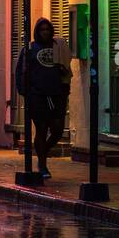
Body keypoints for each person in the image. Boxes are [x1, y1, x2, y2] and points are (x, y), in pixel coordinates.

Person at [14, 17, 73, 179]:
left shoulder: (58, 47)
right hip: (38, 95)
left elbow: (66, 68)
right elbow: (20, 71)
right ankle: (42, 165)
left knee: (57, 130)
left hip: (56, 94)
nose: (45, 32)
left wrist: (64, 88)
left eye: (47, 29)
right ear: (36, 32)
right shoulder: (30, 49)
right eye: (42, 29)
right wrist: (25, 91)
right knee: (41, 129)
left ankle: (43, 153)